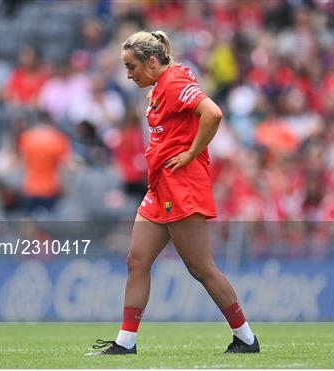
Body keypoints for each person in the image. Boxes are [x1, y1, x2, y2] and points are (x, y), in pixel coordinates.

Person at [88, 30, 260, 355]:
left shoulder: (175, 83)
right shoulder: (161, 85)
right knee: (137, 260)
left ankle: (246, 337)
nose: (128, 74)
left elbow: (213, 113)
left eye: (131, 67)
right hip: (160, 187)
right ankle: (126, 343)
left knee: (201, 268)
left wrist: (192, 153)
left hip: (181, 186)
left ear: (152, 62)